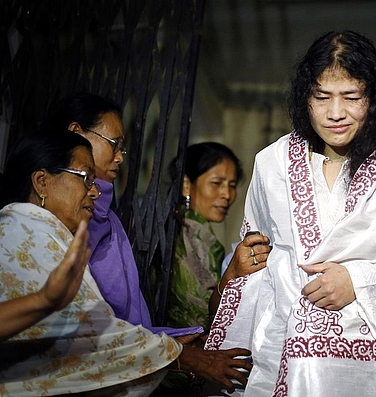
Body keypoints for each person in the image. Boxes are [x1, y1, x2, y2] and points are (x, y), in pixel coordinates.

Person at [205, 30, 376, 396]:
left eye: (351, 97)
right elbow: (258, 256)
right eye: (322, 97)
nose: (335, 113)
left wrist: (358, 282)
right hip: (283, 354)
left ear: (373, 99)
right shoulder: (271, 163)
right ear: (305, 98)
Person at [47, 92, 252, 392]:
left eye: (232, 186)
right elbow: (84, 322)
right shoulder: (67, 215)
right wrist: (183, 354)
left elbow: (125, 318)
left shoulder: (109, 217)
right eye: (113, 144)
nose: (119, 157)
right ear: (76, 133)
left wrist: (172, 339)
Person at [0, 130, 181, 396]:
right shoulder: (31, 230)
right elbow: (90, 334)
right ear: (41, 181)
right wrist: (176, 354)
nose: (94, 192)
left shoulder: (30, 227)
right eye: (86, 178)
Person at [168, 142, 270, 330]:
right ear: (186, 185)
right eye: (216, 183)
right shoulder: (185, 235)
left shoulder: (198, 234)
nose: (227, 194)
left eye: (231, 185)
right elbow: (197, 315)